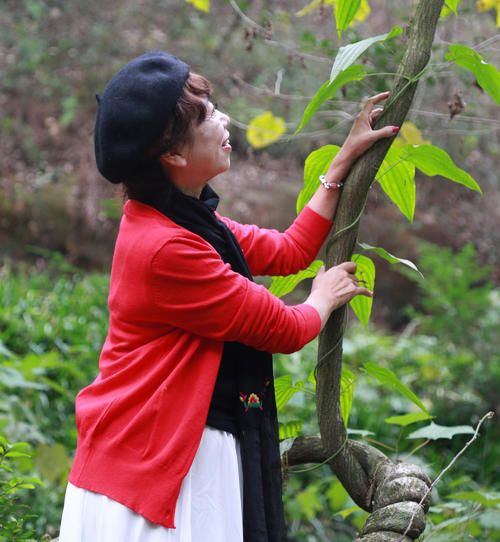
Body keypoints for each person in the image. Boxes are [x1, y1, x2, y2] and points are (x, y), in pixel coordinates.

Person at [58, 50, 398, 542]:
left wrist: (343, 159)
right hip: (152, 462)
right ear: (173, 154)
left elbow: (288, 251)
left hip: (177, 445)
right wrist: (322, 297)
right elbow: (281, 327)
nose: (224, 119)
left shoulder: (190, 223)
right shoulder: (166, 248)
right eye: (207, 115)